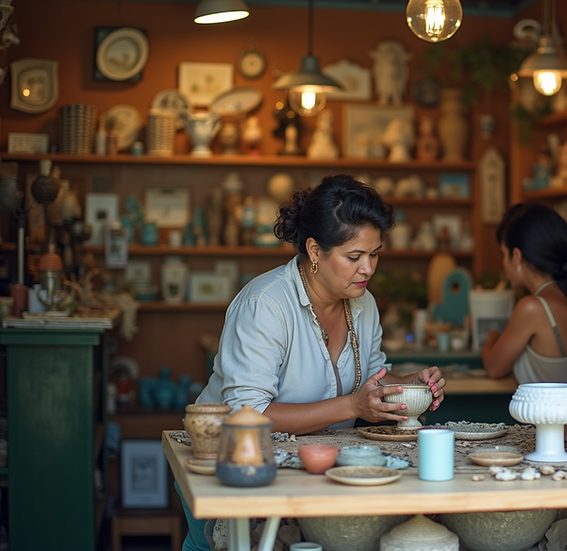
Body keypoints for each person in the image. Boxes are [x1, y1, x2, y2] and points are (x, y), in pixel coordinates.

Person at [182, 175, 446, 550]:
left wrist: (409, 384)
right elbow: (247, 414)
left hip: (317, 468)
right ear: (315, 251)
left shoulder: (363, 303)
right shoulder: (266, 305)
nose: (368, 269)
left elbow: (372, 379)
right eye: (354, 257)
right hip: (237, 466)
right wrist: (352, 406)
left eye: (374, 254)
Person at [480, 203, 567, 383]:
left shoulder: (532, 307)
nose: (503, 263)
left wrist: (492, 338)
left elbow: (494, 367)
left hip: (544, 412)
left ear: (516, 256)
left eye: (503, 254)